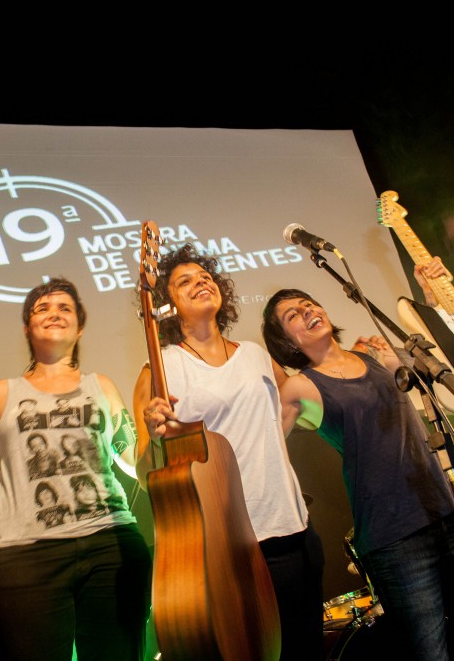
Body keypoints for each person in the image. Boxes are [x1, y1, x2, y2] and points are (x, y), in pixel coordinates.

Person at [260, 260, 454, 661]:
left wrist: (431, 296)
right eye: (294, 314)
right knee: (431, 653)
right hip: (394, 538)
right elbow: (263, 447)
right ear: (285, 341)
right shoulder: (299, 386)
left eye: (309, 304)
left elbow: (443, 369)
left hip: (447, 511)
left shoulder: (374, 353)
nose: (308, 311)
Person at [135, 244, 326, 661]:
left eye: (205, 276)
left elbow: (294, 407)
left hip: (291, 527)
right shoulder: (161, 366)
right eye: (185, 281)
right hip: (230, 544)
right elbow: (145, 465)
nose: (201, 281)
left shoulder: (255, 354)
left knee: (307, 651)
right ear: (167, 306)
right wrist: (154, 433)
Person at [0, 276, 152, 661]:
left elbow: (132, 458)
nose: (54, 313)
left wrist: (155, 431)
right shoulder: (1, 393)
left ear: (80, 326)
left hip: (110, 544)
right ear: (27, 327)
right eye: (42, 308)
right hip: (25, 556)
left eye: (65, 308)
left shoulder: (101, 385)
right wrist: (11, 513)